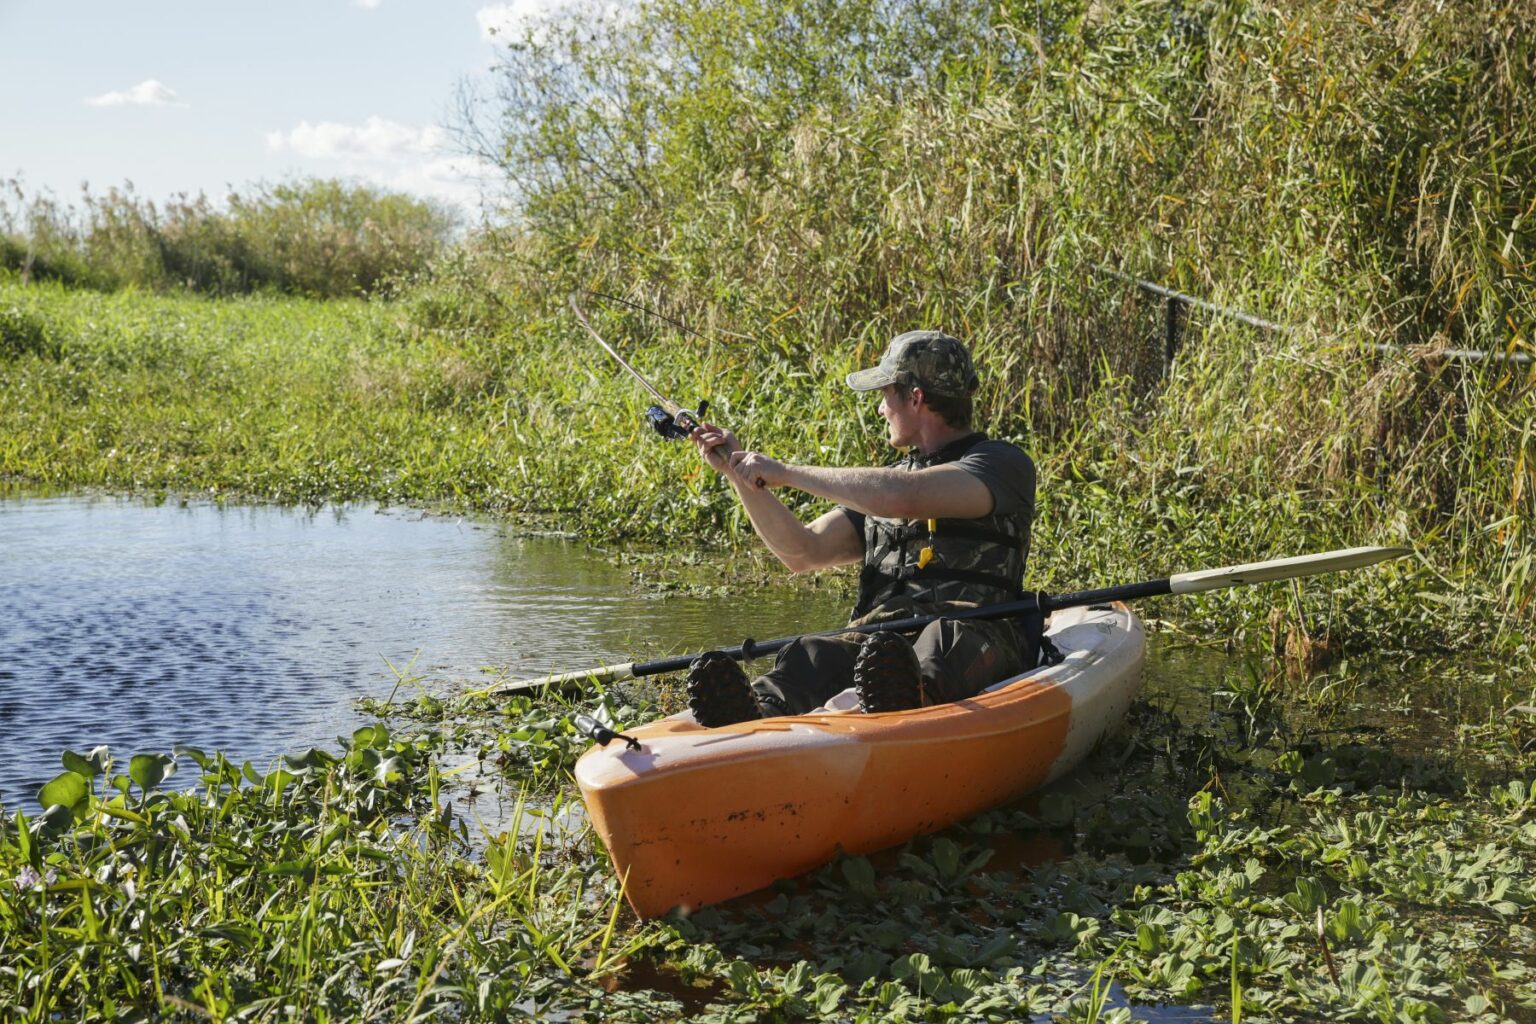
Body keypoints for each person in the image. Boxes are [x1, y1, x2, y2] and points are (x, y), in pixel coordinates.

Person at [685, 330, 1050, 727]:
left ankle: (909, 700)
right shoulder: (884, 485)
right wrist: (739, 475)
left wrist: (785, 473)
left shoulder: (1000, 463)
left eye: (885, 394)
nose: (880, 409)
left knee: (943, 641)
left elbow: (905, 497)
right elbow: (803, 551)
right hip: (882, 641)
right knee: (814, 654)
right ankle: (755, 715)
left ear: (916, 397)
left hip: (979, 637)